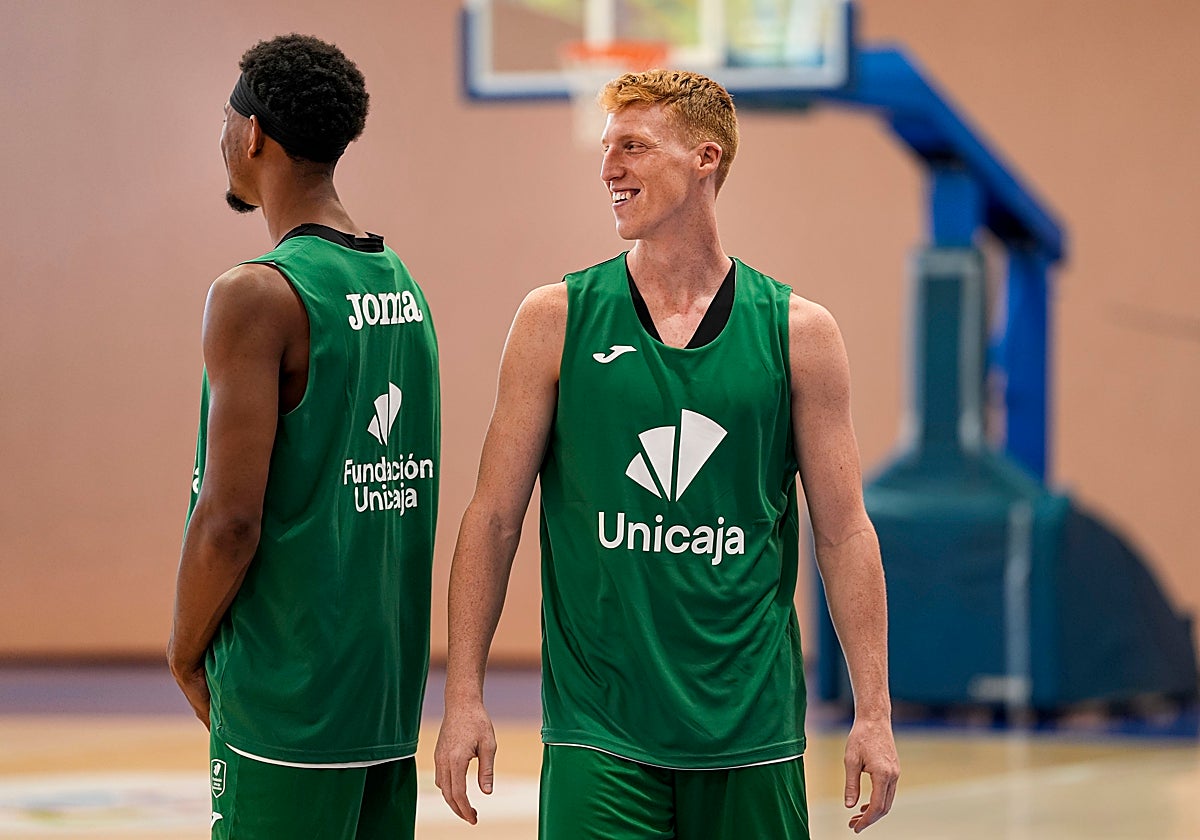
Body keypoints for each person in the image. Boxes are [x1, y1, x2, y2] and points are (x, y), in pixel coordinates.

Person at [434, 69, 897, 837]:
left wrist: (873, 713)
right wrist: (462, 697)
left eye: (633, 147)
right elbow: (493, 519)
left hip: (750, 727)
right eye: (606, 147)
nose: (608, 168)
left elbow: (845, 532)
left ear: (705, 158)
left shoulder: (799, 334)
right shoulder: (555, 319)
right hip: (598, 730)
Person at [167, 34, 439, 839]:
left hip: (286, 697)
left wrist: (183, 649)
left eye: (227, 119)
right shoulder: (402, 288)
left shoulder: (255, 295)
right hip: (382, 696)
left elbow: (229, 522)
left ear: (253, 135)